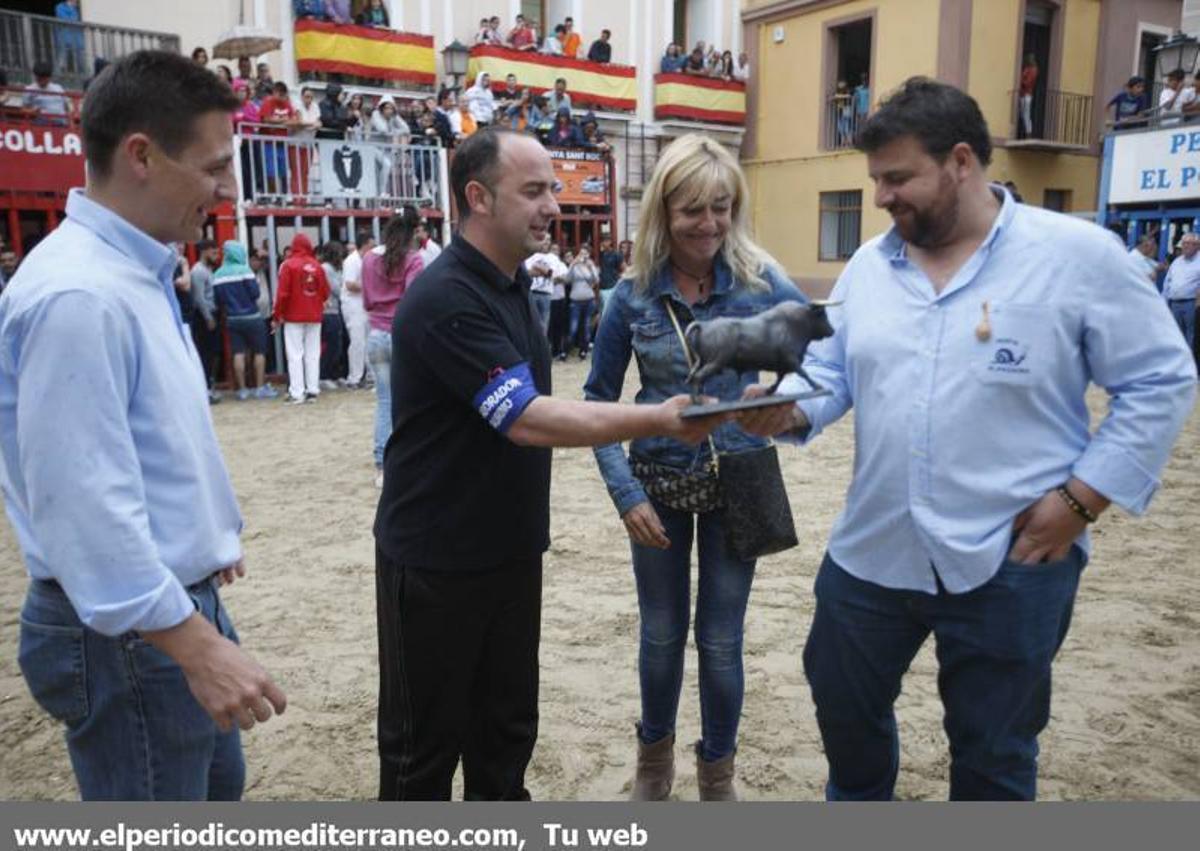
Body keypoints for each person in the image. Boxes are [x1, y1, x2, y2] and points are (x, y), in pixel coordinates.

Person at [742, 76, 1197, 801]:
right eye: (876, 179)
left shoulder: (1079, 257)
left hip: (1015, 557)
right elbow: (830, 370)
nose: (881, 196)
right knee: (842, 710)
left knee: (993, 758)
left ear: (960, 161)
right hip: (875, 549)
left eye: (897, 178)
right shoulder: (870, 267)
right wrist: (787, 409)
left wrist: (1082, 501)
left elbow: (1161, 378)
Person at [373, 127, 728, 801]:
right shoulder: (447, 295)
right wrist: (657, 418)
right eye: (534, 190)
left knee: (505, 741)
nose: (552, 206)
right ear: (478, 197)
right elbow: (526, 418)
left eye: (553, 190)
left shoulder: (510, 285)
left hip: (510, 554)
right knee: (421, 756)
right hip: (435, 565)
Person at [0, 49, 286, 801]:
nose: (228, 190)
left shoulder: (130, 270)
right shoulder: (80, 295)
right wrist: (191, 641)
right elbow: (82, 502)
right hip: (132, 633)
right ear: (141, 156)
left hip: (156, 611)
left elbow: (152, 435)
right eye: (214, 166)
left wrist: (201, 534)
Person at [584, 133, 807, 802]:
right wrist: (625, 493)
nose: (709, 224)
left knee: (720, 641)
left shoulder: (762, 282)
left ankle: (718, 775)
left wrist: (783, 397)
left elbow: (819, 356)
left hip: (743, 482)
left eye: (721, 207)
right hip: (656, 484)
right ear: (663, 210)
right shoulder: (631, 297)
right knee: (660, 635)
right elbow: (597, 400)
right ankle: (654, 766)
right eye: (692, 210)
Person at [362, 208, 424, 487]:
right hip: (402, 335)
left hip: (376, 333)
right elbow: (414, 300)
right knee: (410, 401)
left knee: (384, 401)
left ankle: (382, 466)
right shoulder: (414, 260)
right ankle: (409, 460)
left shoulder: (368, 259)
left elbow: (366, 300)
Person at [213, 240, 275, 400]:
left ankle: (242, 390)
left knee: (238, 353)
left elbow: (218, 299)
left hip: (232, 318)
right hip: (253, 317)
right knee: (259, 352)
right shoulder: (245, 271)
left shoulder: (218, 274)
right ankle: (259, 387)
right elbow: (255, 293)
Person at [273, 233, 330, 404]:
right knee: (313, 353)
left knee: (294, 354)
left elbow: (282, 294)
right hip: (314, 315)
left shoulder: (288, 265)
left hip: (293, 316)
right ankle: (312, 390)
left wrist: (277, 315)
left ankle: (297, 392)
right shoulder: (317, 266)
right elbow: (325, 292)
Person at [190, 239, 223, 404]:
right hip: (204, 317)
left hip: (211, 314)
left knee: (213, 353)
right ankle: (205, 390)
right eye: (214, 252)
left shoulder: (208, 269)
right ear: (204, 252)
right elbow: (198, 297)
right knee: (205, 354)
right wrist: (208, 317)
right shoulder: (198, 271)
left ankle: (210, 387)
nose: (217, 256)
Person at [341, 232, 374, 388]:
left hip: (365, 303)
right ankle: (354, 378)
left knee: (369, 340)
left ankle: (370, 375)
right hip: (353, 304)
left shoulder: (368, 260)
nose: (373, 248)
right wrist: (371, 286)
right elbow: (350, 285)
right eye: (371, 245)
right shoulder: (351, 260)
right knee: (357, 341)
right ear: (365, 245)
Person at [1162, 232, 1200, 353]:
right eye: (1184, 243)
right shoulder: (1177, 262)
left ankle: (1190, 360)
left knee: (1192, 334)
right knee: (1176, 334)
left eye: (1189, 243)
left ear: (1197, 245)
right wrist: (1164, 302)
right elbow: (1167, 283)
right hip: (1174, 304)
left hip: (1192, 304)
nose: (1185, 246)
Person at [318, 241, 346, 387]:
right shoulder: (325, 268)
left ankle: (334, 374)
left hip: (337, 310)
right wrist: (345, 289)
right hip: (328, 312)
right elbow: (336, 289)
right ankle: (324, 375)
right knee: (330, 344)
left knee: (337, 345)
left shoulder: (337, 268)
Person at [524, 234, 562, 334]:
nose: (547, 241)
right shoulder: (531, 255)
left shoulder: (553, 258)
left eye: (549, 239)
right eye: (545, 239)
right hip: (531, 293)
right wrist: (546, 271)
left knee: (544, 325)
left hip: (546, 294)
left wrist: (537, 266)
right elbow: (527, 273)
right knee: (530, 324)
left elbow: (555, 275)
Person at [566, 243, 599, 357]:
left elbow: (596, 280)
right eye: (581, 253)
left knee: (586, 327)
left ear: (589, 255)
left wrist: (591, 268)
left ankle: (583, 350)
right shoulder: (574, 266)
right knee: (573, 327)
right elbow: (567, 279)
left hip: (589, 299)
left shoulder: (591, 265)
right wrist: (572, 264)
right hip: (575, 300)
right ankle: (565, 350)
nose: (583, 255)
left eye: (586, 253)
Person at [54, 0, 85, 77]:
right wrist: (72, 8)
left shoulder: (78, 8)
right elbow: (67, 19)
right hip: (64, 37)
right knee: (62, 58)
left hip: (77, 38)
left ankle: (83, 75)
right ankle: (58, 76)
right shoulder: (60, 7)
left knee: (81, 59)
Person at [598, 237, 624, 315]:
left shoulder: (616, 254)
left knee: (607, 311)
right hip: (601, 286)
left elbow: (624, 269)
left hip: (611, 286)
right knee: (602, 310)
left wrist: (617, 278)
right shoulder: (600, 254)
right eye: (602, 241)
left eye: (605, 241)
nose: (603, 243)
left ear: (610, 242)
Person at [1018, 54, 1038, 137]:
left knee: (1026, 114)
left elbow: (1028, 82)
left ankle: (1028, 134)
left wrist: (1021, 81)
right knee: (1022, 114)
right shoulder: (1027, 68)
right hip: (1023, 94)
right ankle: (1025, 132)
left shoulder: (1033, 69)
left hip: (1027, 94)